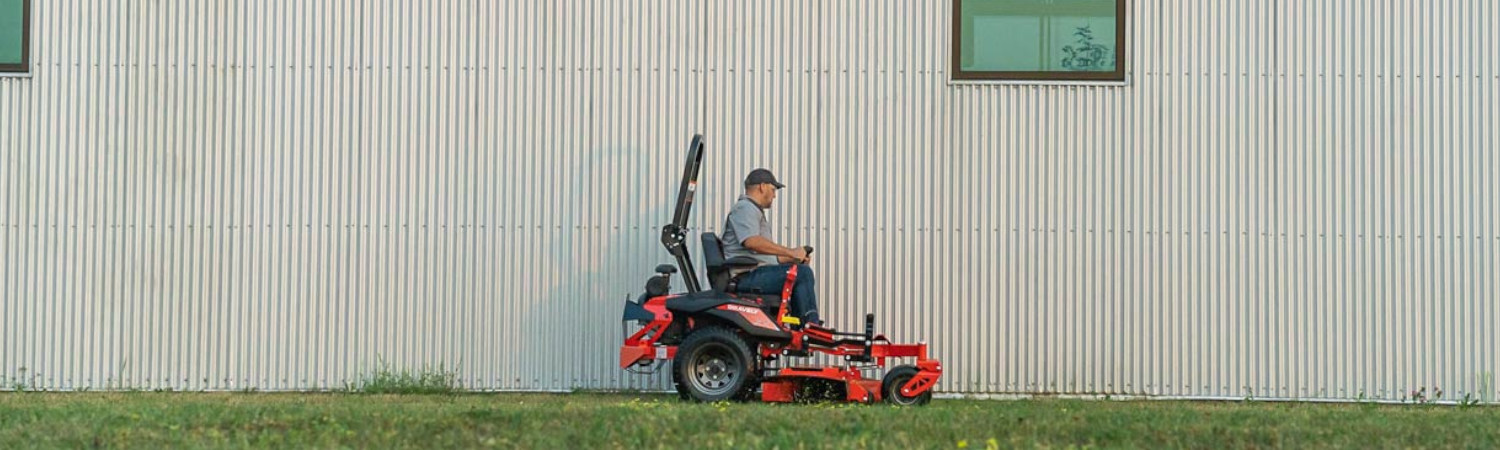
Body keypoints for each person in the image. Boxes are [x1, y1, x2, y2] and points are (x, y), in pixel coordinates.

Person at [720, 168, 822, 327]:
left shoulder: (752, 210)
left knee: (798, 269)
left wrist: (793, 257)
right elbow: (751, 242)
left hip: (754, 271)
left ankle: (801, 326)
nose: (774, 195)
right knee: (802, 273)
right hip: (746, 276)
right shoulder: (745, 208)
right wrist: (790, 252)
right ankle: (810, 325)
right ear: (762, 186)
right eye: (773, 190)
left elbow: (763, 255)